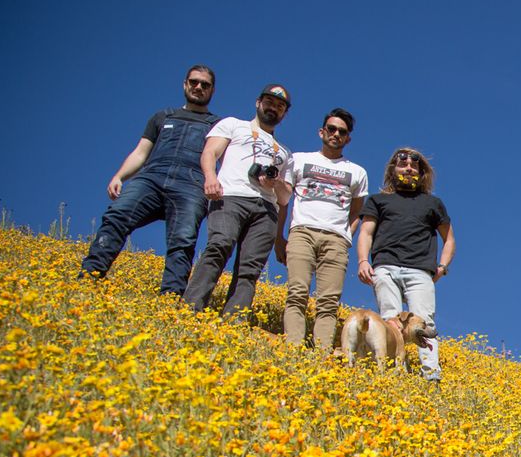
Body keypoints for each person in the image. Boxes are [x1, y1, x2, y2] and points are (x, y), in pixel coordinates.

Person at [80, 65, 220, 294]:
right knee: (116, 217)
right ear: (185, 84)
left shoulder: (217, 124)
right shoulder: (163, 116)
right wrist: (120, 175)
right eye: (194, 82)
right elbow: (141, 152)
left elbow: (220, 159)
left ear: (212, 90)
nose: (198, 87)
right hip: (151, 177)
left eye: (205, 85)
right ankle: (90, 276)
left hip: (191, 183)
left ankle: (170, 299)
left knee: (183, 241)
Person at [183, 85, 293, 317]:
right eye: (270, 102)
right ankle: (189, 310)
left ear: (284, 113)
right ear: (258, 103)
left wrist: (276, 184)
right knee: (219, 246)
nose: (274, 108)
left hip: (266, 209)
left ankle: (233, 323)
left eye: (280, 106)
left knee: (250, 268)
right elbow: (210, 152)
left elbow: (284, 199)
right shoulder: (233, 124)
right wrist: (210, 177)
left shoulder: (285, 152)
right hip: (231, 196)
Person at [356, 147, 456, 382]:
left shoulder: (433, 203)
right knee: (389, 319)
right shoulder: (378, 200)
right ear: (393, 169)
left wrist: (442, 267)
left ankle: (431, 377)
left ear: (422, 173)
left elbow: (449, 239)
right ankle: (392, 372)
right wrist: (362, 260)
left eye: (414, 166)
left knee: (424, 322)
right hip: (385, 267)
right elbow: (366, 233)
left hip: (420, 270)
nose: (409, 168)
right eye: (403, 164)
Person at [275, 109, 368, 350]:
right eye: (331, 129)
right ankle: (293, 349)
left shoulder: (357, 172)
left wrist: (347, 234)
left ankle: (321, 354)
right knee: (297, 292)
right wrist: (279, 237)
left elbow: (357, 210)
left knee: (328, 301)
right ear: (321, 132)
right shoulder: (299, 159)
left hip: (336, 239)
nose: (336, 134)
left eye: (342, 132)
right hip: (302, 232)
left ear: (348, 138)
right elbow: (283, 200)